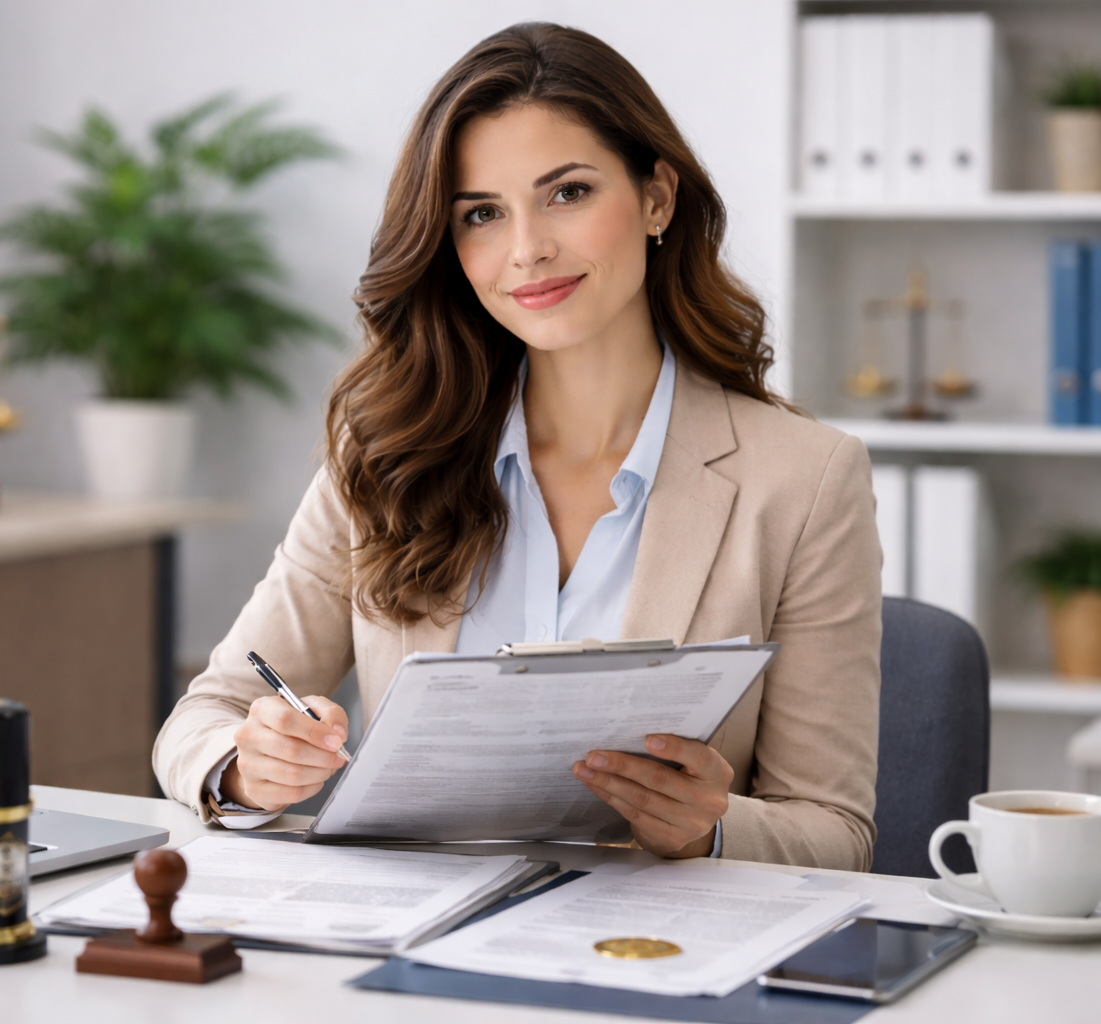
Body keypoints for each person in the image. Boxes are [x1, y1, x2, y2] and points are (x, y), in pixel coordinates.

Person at [155, 22, 881, 869]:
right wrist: (247, 766)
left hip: (650, 960)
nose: (527, 249)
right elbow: (202, 721)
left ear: (657, 198)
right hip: (409, 948)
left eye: (568, 193)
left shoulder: (804, 478)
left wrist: (713, 825)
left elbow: (837, 833)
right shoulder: (388, 451)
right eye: (483, 214)